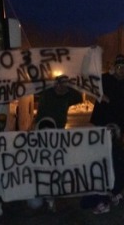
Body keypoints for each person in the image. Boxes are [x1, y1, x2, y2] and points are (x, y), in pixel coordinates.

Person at [88, 54, 124, 214]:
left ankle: (114, 190)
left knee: (115, 157)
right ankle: (103, 194)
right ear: (113, 68)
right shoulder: (104, 79)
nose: (121, 70)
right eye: (118, 67)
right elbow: (92, 86)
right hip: (102, 124)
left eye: (123, 67)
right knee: (101, 158)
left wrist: (110, 101)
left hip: (118, 127)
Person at [32, 75, 82, 212]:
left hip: (58, 133)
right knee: (40, 161)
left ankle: (52, 195)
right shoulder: (47, 92)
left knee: (55, 163)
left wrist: (70, 86)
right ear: (54, 84)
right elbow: (35, 85)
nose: (61, 87)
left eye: (64, 85)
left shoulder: (68, 96)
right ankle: (39, 190)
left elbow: (79, 97)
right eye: (59, 84)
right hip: (41, 132)